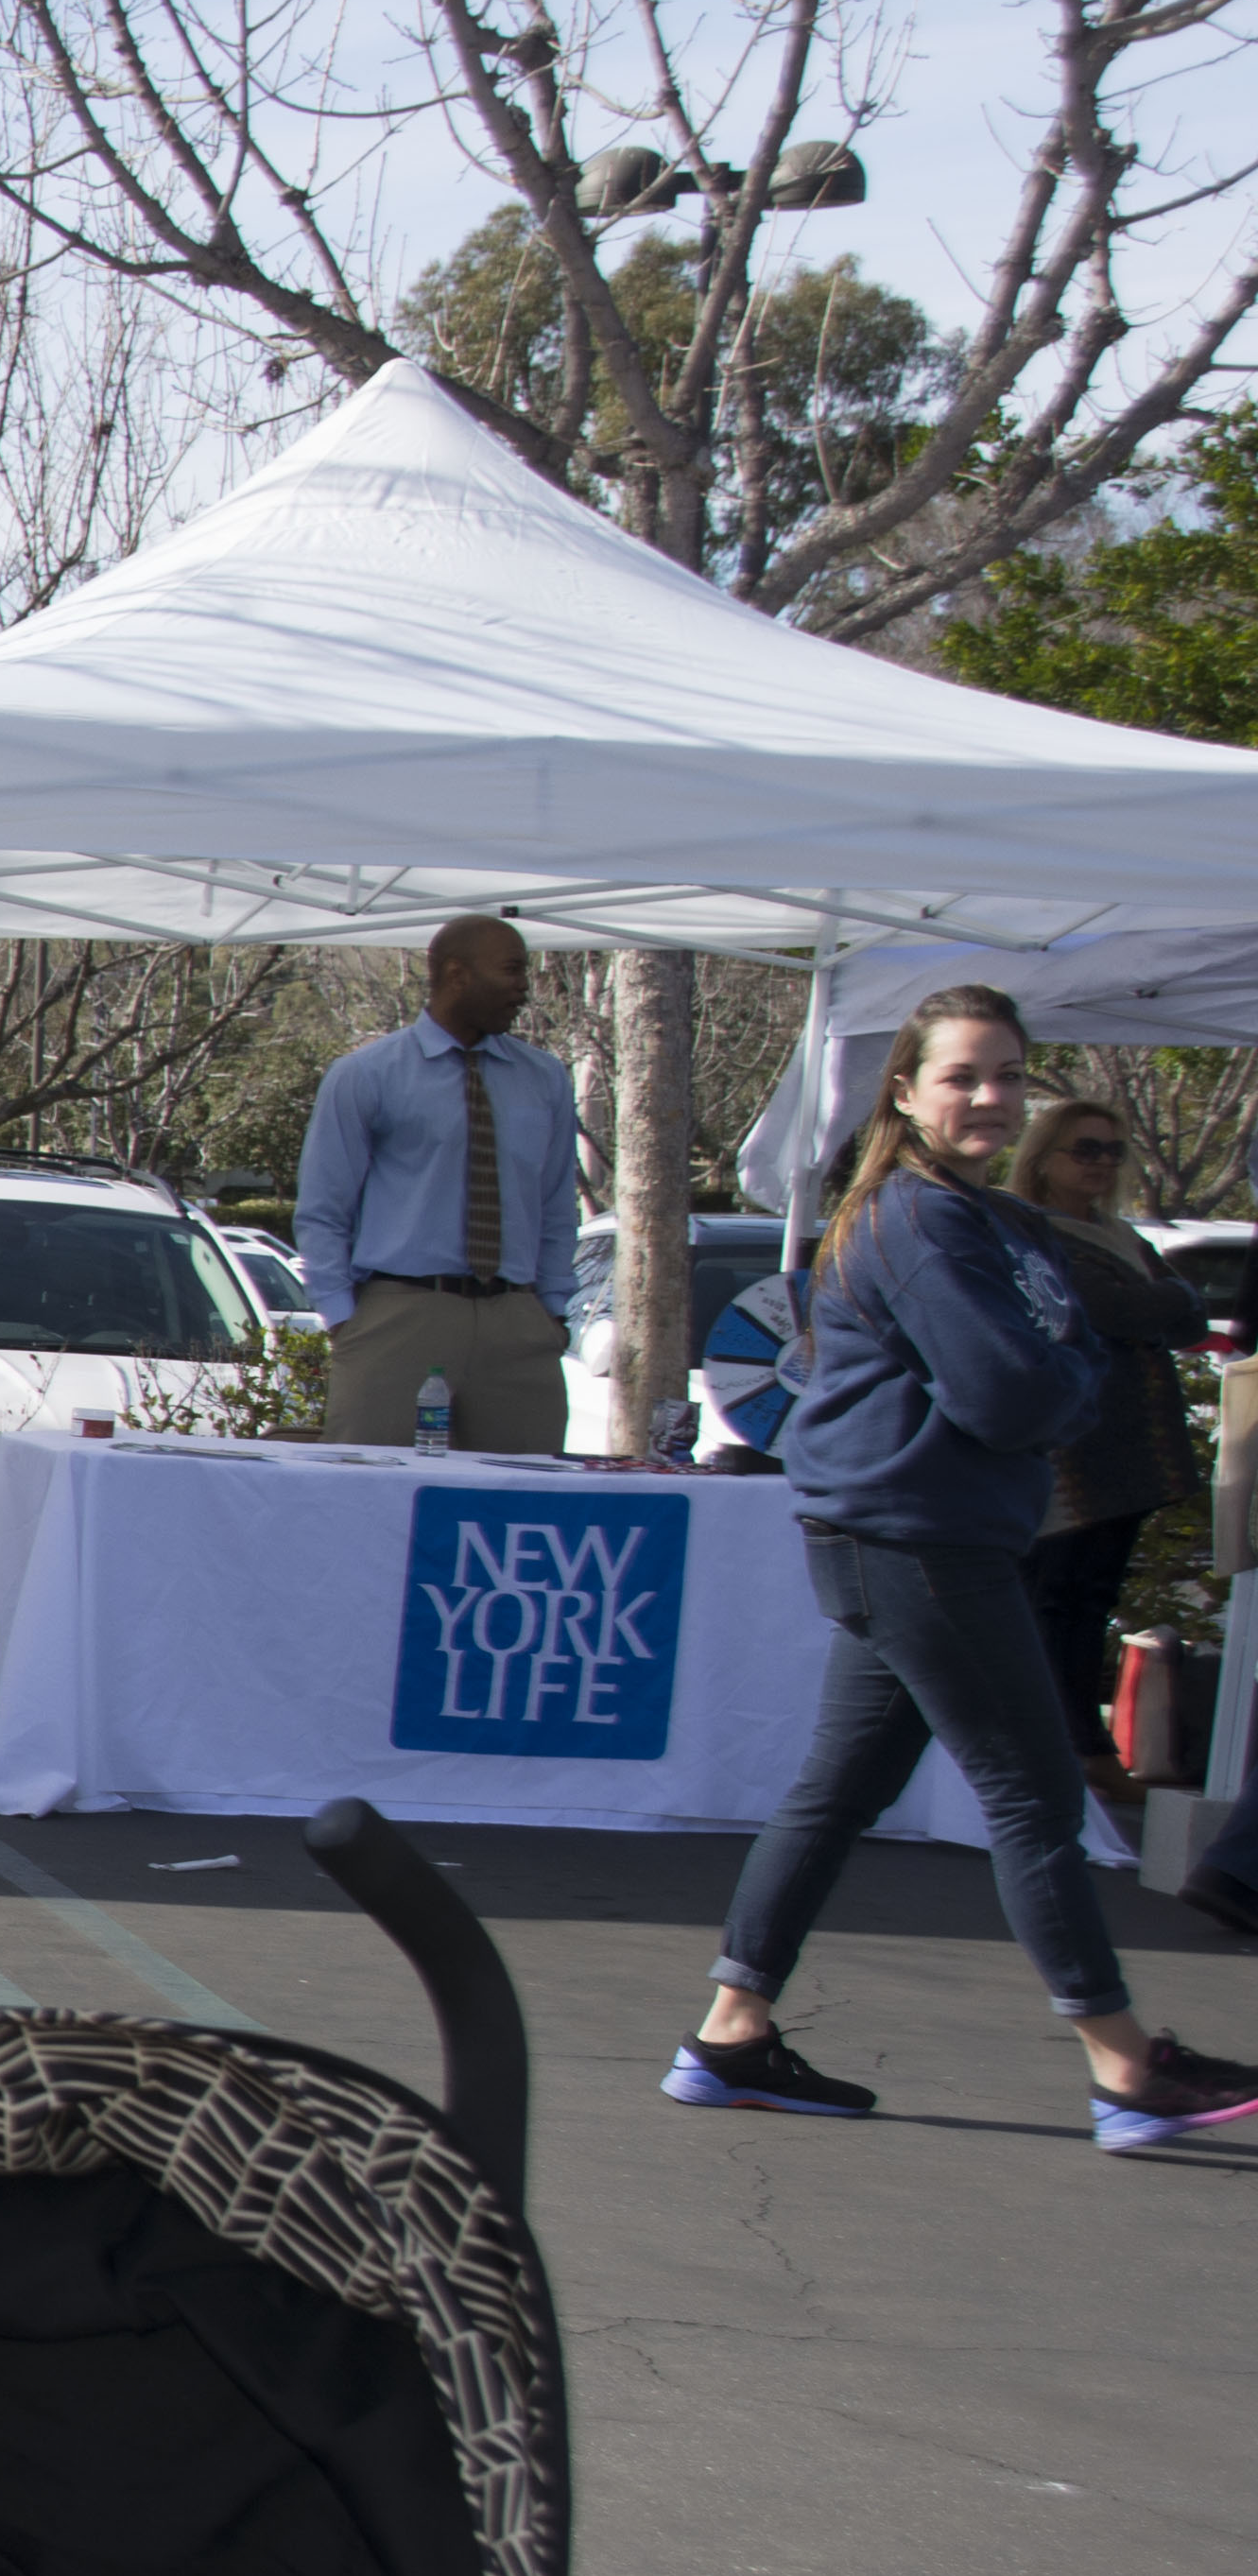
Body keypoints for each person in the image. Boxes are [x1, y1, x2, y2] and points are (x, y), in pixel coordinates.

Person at [668, 986, 1258, 2153]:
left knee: (839, 1794)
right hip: (921, 1541)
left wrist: (1067, 1360)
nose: (991, 1098)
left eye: (1008, 1076)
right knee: (1035, 1798)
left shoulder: (991, 1222)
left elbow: (1082, 1338)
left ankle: (731, 2033)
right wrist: (1072, 1372)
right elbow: (1012, 1389)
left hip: (923, 1536)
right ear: (907, 1091)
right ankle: (1126, 2066)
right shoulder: (917, 1222)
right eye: (963, 1077)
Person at [296, 916, 577, 1450]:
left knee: (519, 1503)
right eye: (512, 970)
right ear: (457, 974)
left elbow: (557, 1205)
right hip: (402, 1313)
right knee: (372, 1492)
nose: (525, 987)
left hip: (517, 1320)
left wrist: (553, 1313)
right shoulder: (367, 1074)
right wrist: (342, 1319)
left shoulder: (545, 1079)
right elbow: (324, 1209)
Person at [1006, 1095, 1203, 1805]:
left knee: (1093, 1598)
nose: (1100, 1164)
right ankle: (1066, 1748)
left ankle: (1081, 1745)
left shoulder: (1116, 1232)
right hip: (1071, 1448)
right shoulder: (1026, 1226)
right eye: (1085, 1149)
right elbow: (1111, 1310)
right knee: (1055, 1598)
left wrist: (1167, 1302)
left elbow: (1190, 1319)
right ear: (1045, 1155)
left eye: (1113, 1151)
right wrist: (1168, 1297)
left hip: (1132, 1447)